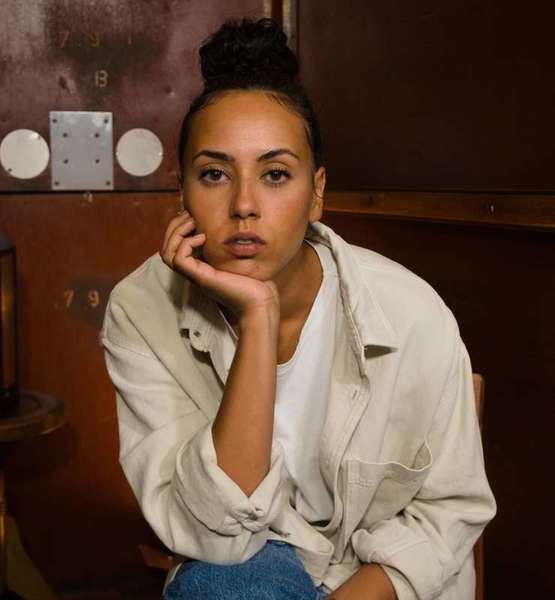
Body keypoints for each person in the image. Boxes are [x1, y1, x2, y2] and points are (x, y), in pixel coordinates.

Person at [100, 17, 496, 600]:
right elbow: (219, 536)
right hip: (247, 562)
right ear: (181, 190)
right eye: (214, 173)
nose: (244, 205)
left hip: (379, 582)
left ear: (317, 193)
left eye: (276, 174)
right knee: (226, 583)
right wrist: (258, 318)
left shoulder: (411, 311)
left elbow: (448, 512)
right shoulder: (141, 310)